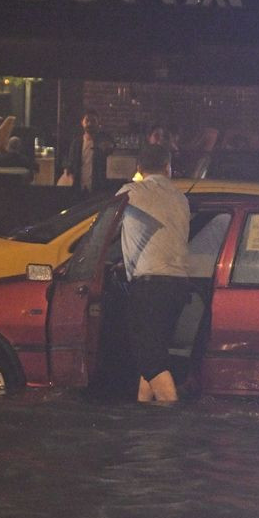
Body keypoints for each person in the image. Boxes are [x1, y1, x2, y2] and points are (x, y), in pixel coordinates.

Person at [118, 143, 191, 404]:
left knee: (150, 358)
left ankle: (169, 418)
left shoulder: (130, 193)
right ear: (167, 168)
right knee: (152, 355)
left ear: (138, 169)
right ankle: (144, 413)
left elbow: (111, 230)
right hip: (179, 287)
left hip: (149, 287)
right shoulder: (181, 198)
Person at [62, 110, 114, 195]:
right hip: (77, 187)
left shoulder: (104, 141)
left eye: (93, 121)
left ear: (98, 123)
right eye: (87, 121)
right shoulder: (76, 143)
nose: (89, 124)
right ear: (82, 123)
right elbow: (70, 162)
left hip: (98, 188)